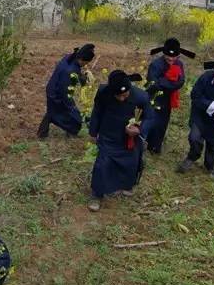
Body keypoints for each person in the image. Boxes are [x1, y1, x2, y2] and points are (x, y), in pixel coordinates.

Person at [87, 69, 157, 211]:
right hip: (109, 135)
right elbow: (97, 112)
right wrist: (93, 132)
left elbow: (150, 118)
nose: (122, 99)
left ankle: (125, 185)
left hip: (129, 138)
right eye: (118, 96)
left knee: (130, 162)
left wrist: (139, 129)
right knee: (102, 165)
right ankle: (97, 195)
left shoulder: (141, 97)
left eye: (125, 95)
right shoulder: (103, 92)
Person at [144, 37, 196, 154]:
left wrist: (163, 82)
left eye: (174, 57)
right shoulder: (156, 64)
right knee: (151, 120)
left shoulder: (179, 64)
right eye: (168, 56)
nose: (171, 59)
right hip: (154, 98)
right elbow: (153, 83)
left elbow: (180, 82)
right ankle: (145, 143)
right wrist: (169, 83)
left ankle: (155, 147)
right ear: (164, 53)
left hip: (167, 99)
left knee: (162, 123)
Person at [37, 43, 96, 138]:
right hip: (56, 92)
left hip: (54, 86)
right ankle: (71, 131)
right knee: (69, 112)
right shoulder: (69, 71)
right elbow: (65, 91)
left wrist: (82, 78)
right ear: (82, 59)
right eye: (86, 63)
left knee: (52, 111)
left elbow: (76, 72)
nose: (86, 65)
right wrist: (73, 108)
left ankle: (42, 133)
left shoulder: (71, 57)